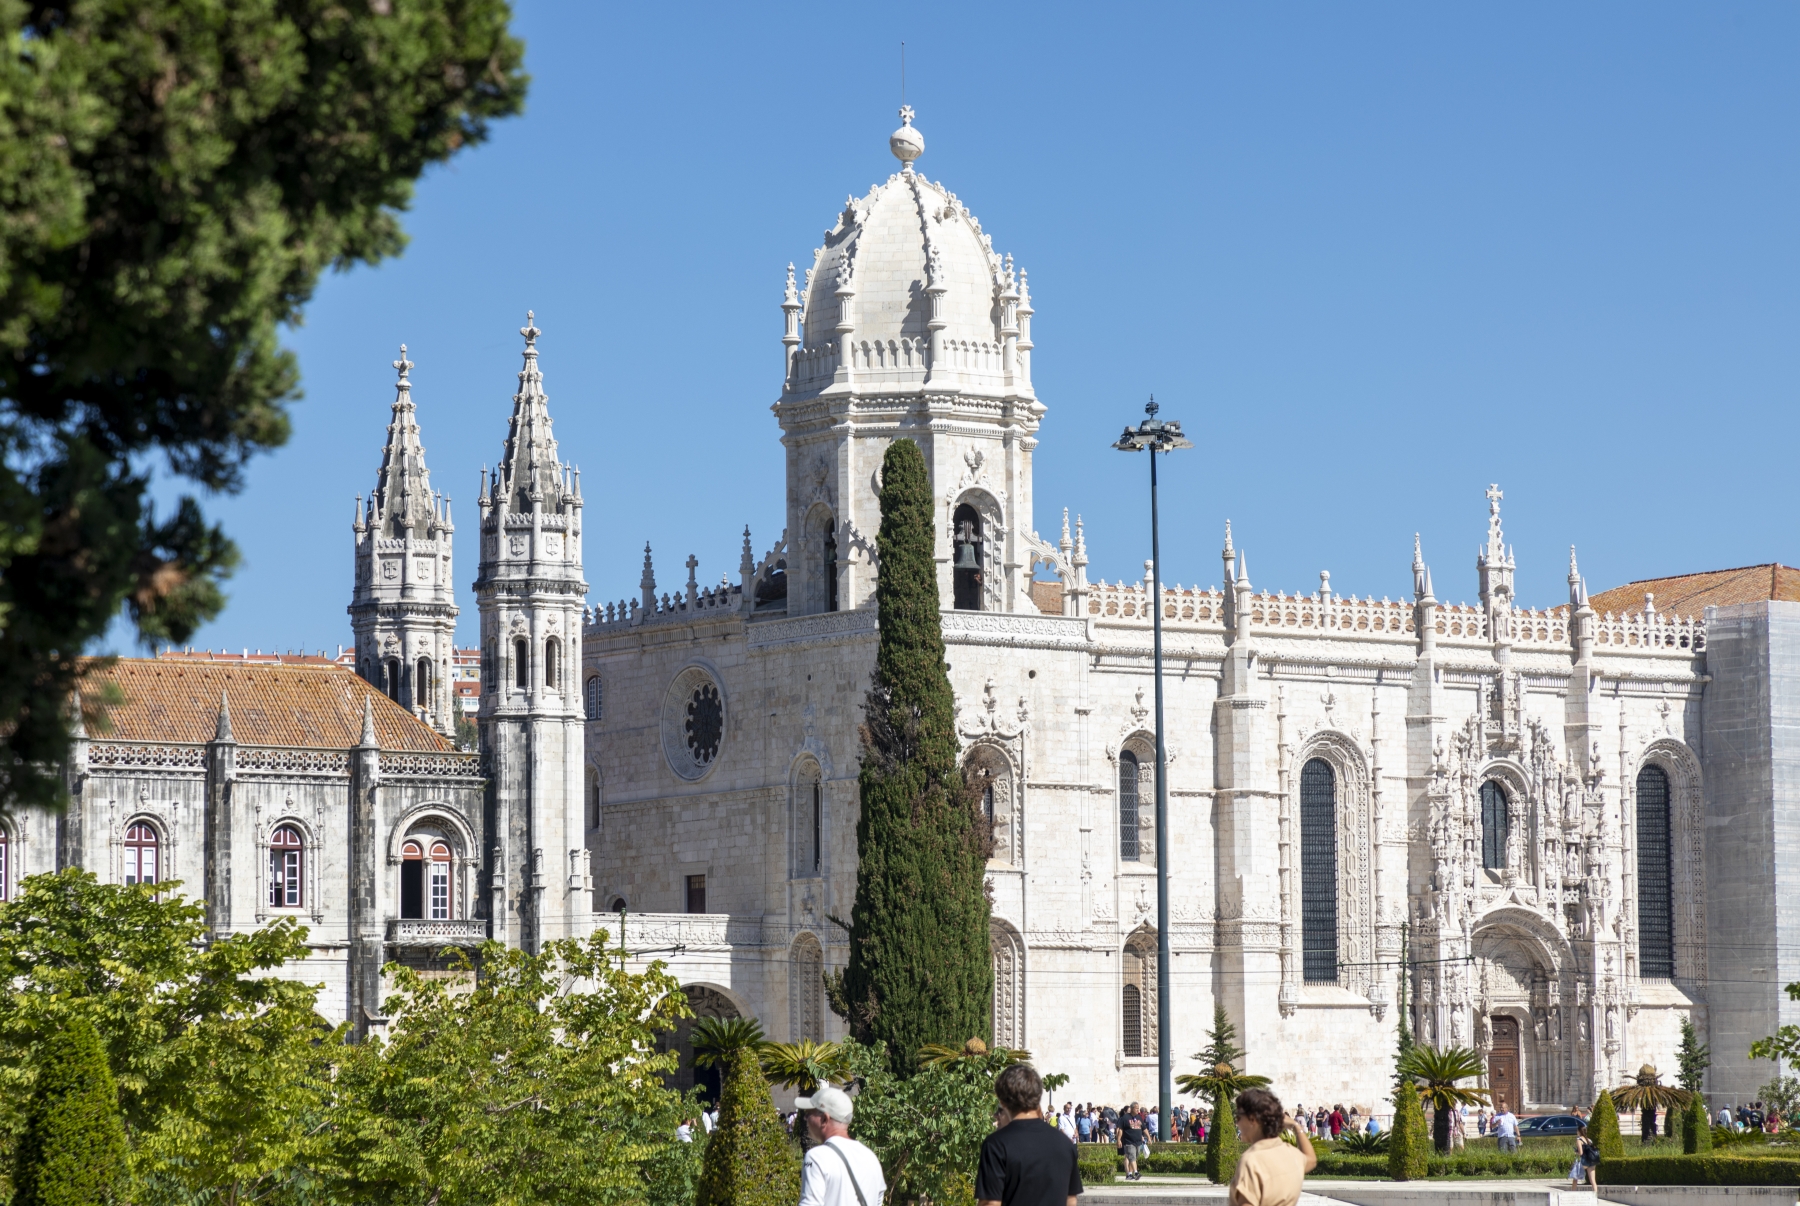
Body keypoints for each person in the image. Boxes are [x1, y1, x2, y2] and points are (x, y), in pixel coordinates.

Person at [976, 1064, 1084, 1206]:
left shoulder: (996, 1145)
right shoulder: (1065, 1144)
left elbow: (991, 1203)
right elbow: (1070, 1200)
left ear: (1002, 1102)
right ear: (1038, 1097)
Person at [797, 1085, 887, 1206]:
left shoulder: (817, 1157)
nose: (805, 1118)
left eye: (809, 1114)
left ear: (824, 1119)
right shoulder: (871, 1158)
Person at [1227, 1089, 1316, 1206]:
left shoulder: (1251, 1161)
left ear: (1252, 1119)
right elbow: (1311, 1159)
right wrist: (1296, 1127)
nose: (1237, 1123)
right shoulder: (1290, 1153)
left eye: (1238, 1117)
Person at [1568, 1123, 1599, 1193]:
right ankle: (1595, 1196)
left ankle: (1572, 1193)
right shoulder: (1589, 1140)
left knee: (1575, 1177)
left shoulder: (1579, 1140)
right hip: (1592, 1161)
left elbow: (1581, 1153)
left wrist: (1576, 1152)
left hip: (1584, 1162)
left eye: (1577, 1131)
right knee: (1593, 1181)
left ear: (1579, 1131)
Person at [1117, 1107, 1146, 1181]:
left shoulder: (1137, 1118)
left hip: (1136, 1141)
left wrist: (1142, 1136)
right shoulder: (1123, 1119)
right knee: (1130, 1157)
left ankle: (1129, 1174)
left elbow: (1140, 1128)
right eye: (1129, 1110)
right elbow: (1119, 1129)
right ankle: (1135, 1172)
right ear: (1125, 1112)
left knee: (1132, 1158)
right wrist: (1119, 1139)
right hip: (1127, 1141)